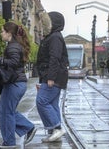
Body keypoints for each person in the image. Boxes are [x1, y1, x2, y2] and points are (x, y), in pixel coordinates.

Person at [0, 21, 37, 148]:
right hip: (16, 83)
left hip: (15, 84)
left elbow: (13, 62)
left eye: (2, 31)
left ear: (9, 33)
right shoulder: (14, 45)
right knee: (6, 111)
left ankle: (12, 140)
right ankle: (17, 135)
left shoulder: (13, 46)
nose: (1, 33)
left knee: (6, 112)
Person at [36, 11, 69, 142]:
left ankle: (57, 128)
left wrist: (50, 77)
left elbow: (54, 58)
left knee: (41, 101)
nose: (42, 24)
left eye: (45, 22)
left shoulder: (55, 37)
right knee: (52, 104)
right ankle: (53, 132)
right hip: (53, 76)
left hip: (53, 77)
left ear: (52, 23)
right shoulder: (52, 36)